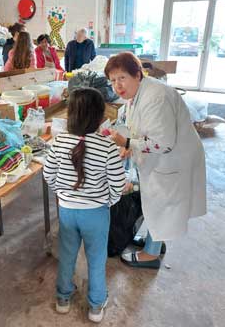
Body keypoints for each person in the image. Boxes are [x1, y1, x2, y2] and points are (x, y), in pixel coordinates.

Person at [104, 52, 206, 269]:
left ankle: (151, 254)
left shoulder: (156, 97)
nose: (117, 85)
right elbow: (138, 126)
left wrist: (129, 143)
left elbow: (164, 142)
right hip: (167, 154)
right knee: (157, 202)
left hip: (173, 156)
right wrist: (129, 146)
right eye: (113, 80)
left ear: (137, 74)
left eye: (122, 77)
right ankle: (155, 241)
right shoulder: (138, 94)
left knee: (160, 201)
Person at [43, 88, 126, 323]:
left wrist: (63, 193)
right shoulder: (107, 147)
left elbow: (48, 175)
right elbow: (117, 183)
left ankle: (63, 299)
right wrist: (107, 202)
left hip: (68, 210)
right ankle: (96, 307)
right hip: (97, 214)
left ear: (70, 115)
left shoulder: (58, 143)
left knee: (67, 256)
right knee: (97, 259)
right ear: (100, 117)